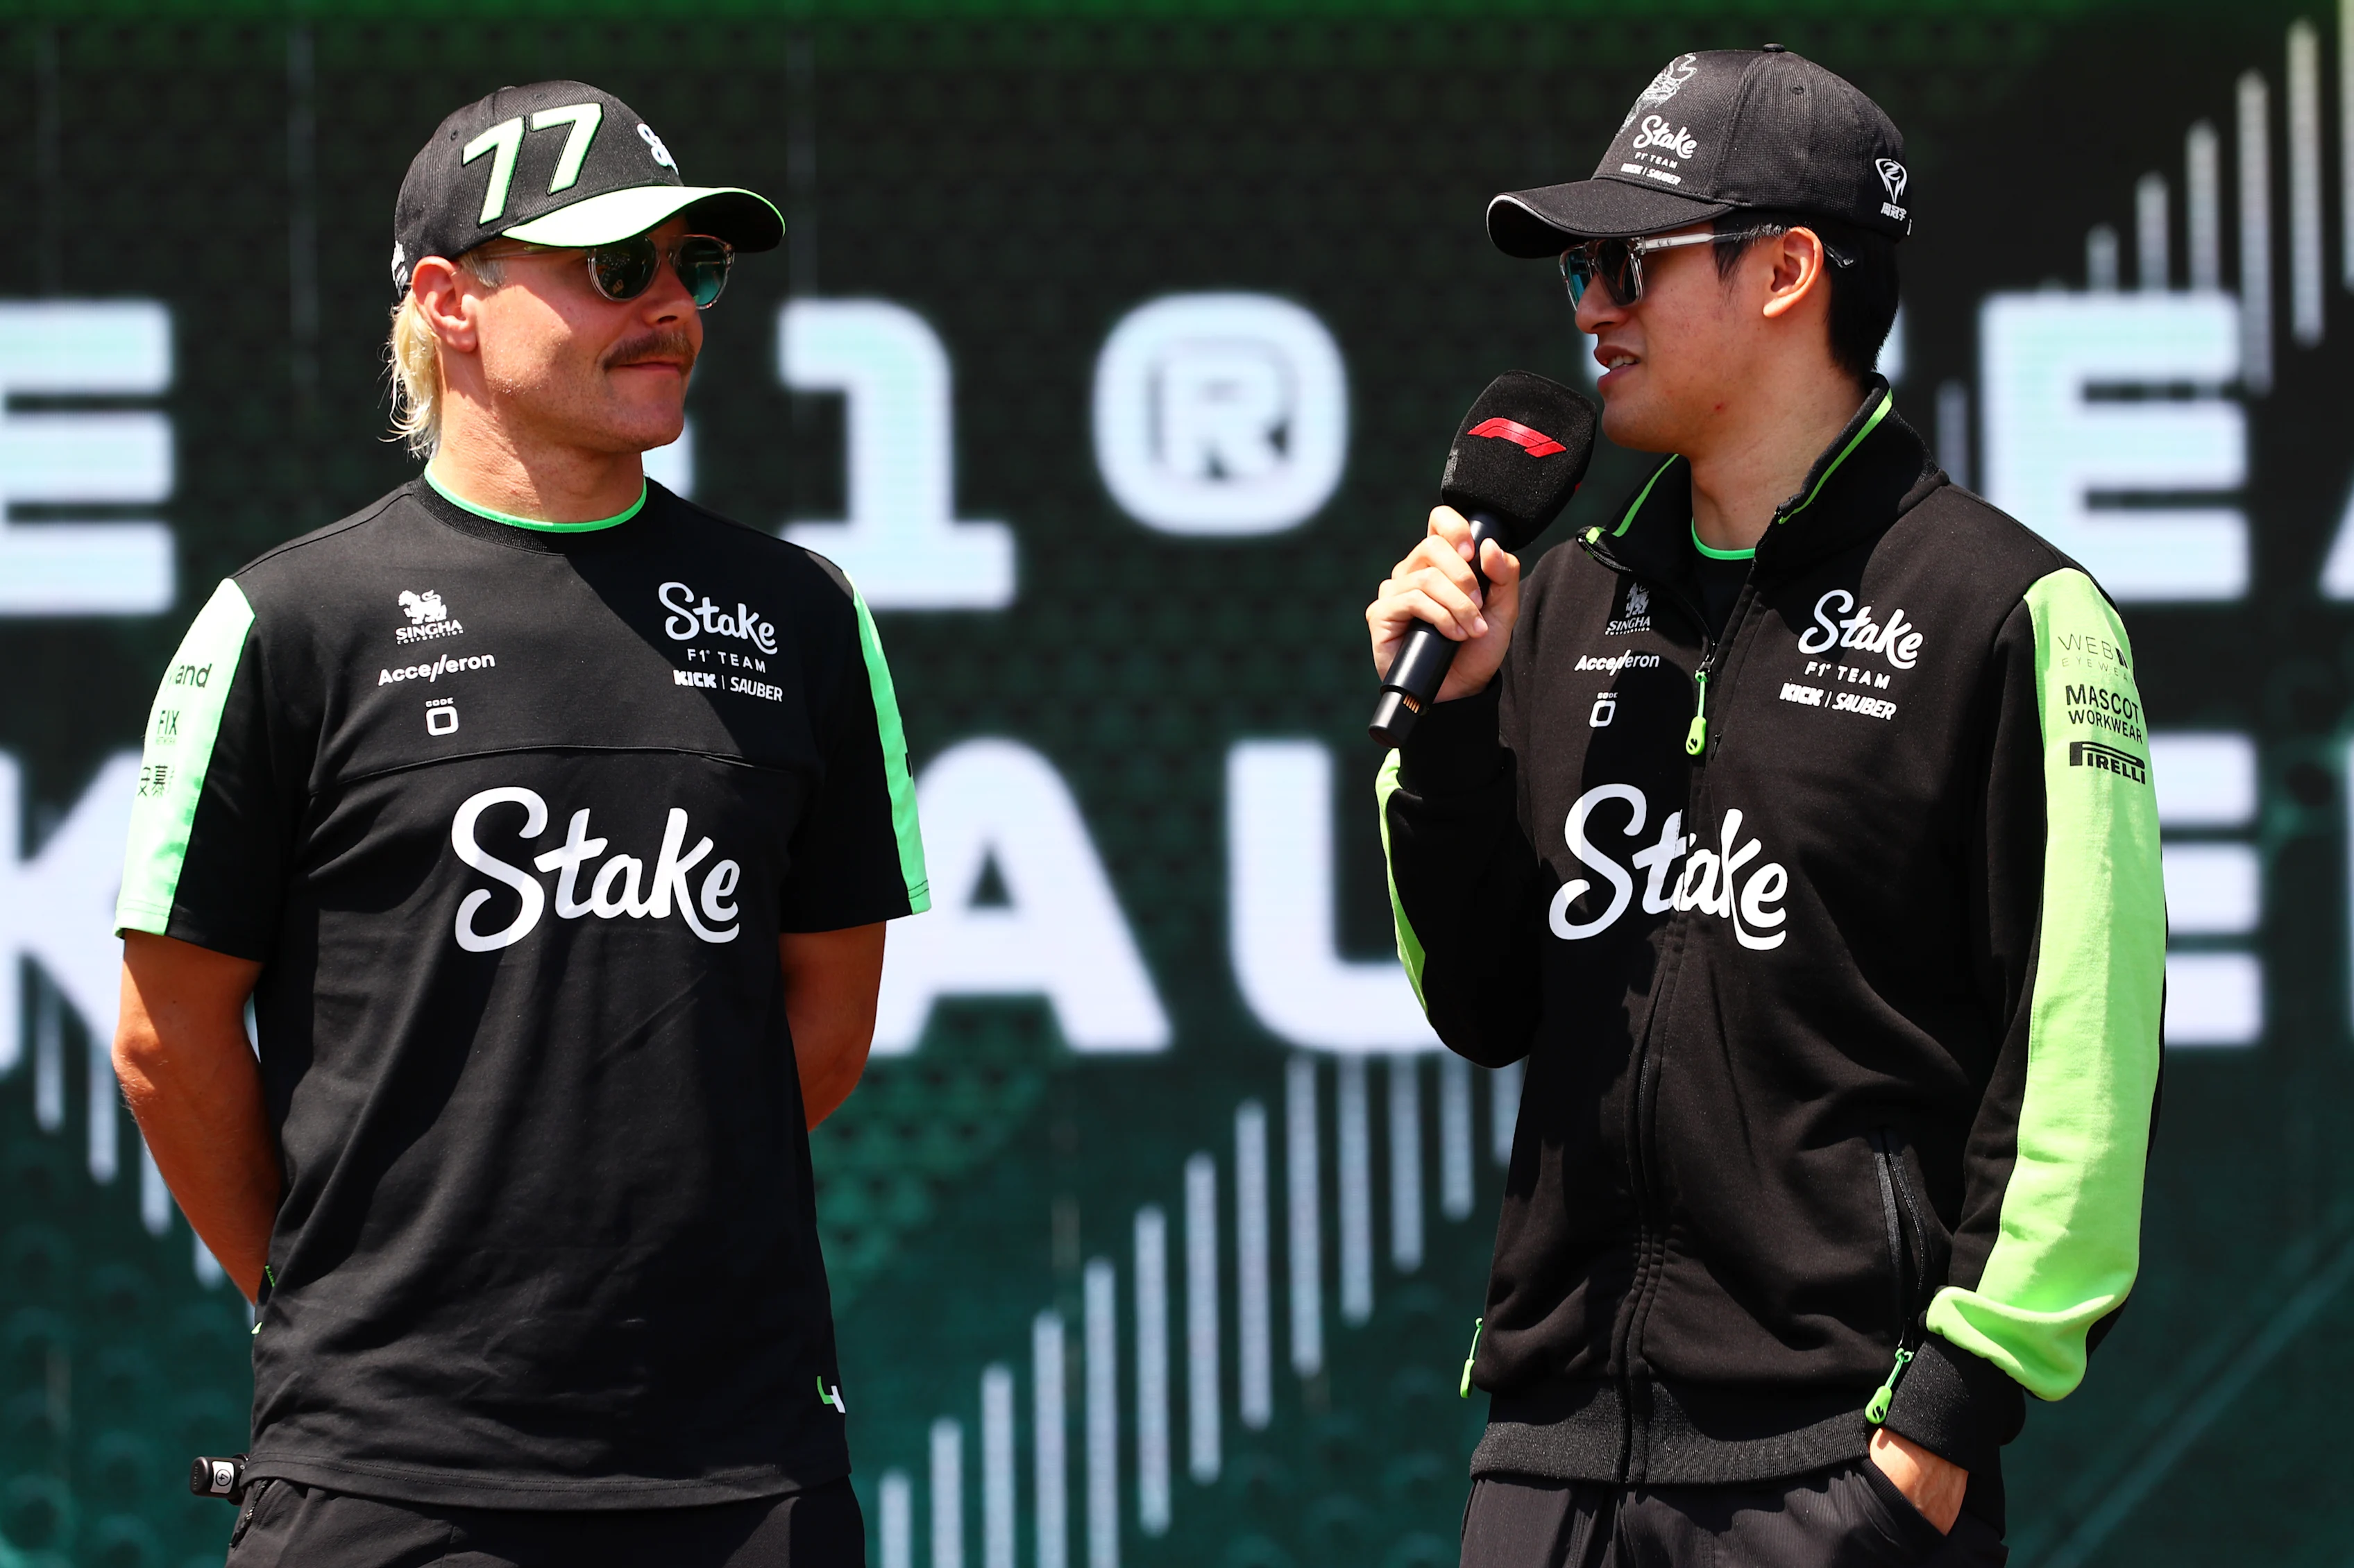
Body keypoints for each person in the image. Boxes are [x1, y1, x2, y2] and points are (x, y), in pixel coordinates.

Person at [112, 80, 928, 1567]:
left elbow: (824, 1021)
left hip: (738, 1463)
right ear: (450, 300)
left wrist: (627, 1186)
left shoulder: (800, 615)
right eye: (616, 269)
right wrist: (344, 1290)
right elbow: (167, 1038)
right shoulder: (291, 619)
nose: (670, 303)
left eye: (696, 268)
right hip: (385, 1471)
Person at [1369, 46, 2162, 1567]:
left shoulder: (2009, 611)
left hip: (1828, 1471)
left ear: (1790, 268)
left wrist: (1941, 1419)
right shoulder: (1559, 600)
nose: (1589, 304)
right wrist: (1452, 732)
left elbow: (2080, 1057)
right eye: (1577, 270)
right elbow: (1476, 999)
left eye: (1625, 259)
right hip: (1547, 1455)